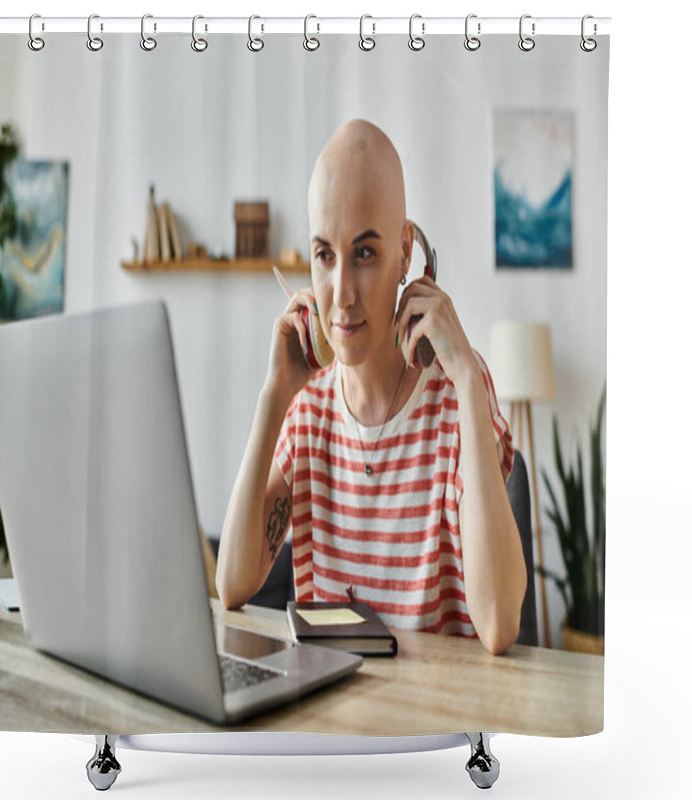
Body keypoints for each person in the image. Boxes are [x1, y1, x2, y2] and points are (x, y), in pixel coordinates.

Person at [217, 119, 526, 655]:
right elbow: (232, 584)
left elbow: (499, 624)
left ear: (405, 252)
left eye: (364, 253)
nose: (341, 296)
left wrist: (471, 383)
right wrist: (273, 399)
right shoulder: (307, 410)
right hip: (329, 723)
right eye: (324, 255)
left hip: (431, 727)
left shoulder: (458, 397)